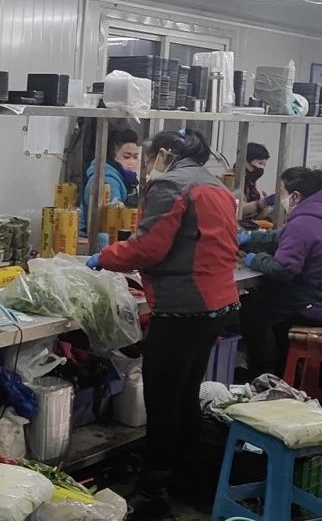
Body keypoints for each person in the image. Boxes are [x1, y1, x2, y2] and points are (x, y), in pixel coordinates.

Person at [86, 129, 239, 520]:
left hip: (184, 307)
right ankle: (187, 479)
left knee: (163, 401)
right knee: (184, 394)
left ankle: (153, 492)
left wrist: (104, 257)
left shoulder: (170, 185)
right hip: (218, 303)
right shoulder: (215, 185)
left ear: (165, 154)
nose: (147, 164)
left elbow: (148, 247)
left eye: (150, 156)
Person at [238, 167, 322, 378]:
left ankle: (262, 370)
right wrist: (249, 237)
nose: (280, 199)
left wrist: (252, 259)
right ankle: (280, 365)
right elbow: (281, 236)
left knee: (251, 307)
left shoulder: (303, 223)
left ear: (295, 196)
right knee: (269, 297)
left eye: (282, 193)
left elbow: (283, 269)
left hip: (320, 307)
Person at [79, 128, 142, 234]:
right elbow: (112, 221)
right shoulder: (108, 181)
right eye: (126, 157)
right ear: (112, 157)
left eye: (135, 157)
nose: (132, 162)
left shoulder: (125, 179)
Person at [239, 142, 273, 218]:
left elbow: (261, 210)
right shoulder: (231, 180)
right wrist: (264, 202)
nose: (262, 168)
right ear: (246, 161)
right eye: (260, 163)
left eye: (264, 165)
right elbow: (239, 209)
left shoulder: (251, 182)